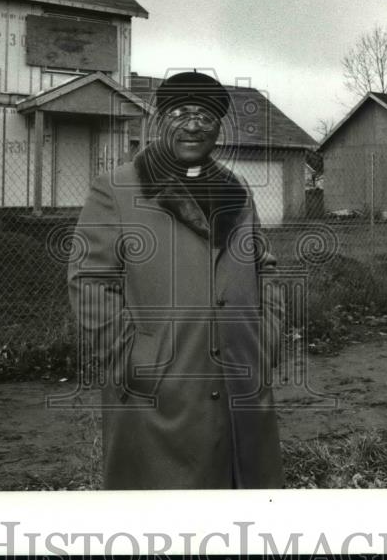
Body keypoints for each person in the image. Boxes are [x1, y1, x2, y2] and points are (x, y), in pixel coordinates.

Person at [67, 71, 285, 489]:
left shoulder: (236, 190)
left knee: (241, 513)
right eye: (181, 113)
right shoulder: (116, 188)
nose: (193, 124)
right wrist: (131, 360)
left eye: (205, 116)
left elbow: (266, 269)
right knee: (161, 517)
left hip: (240, 376)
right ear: (160, 121)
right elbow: (90, 282)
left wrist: (266, 340)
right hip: (161, 385)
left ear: (218, 128)